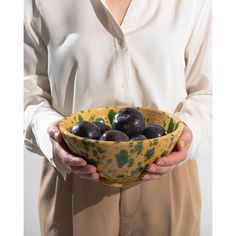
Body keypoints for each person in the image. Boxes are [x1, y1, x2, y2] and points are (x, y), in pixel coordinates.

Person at [24, 0, 211, 235]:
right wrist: (48, 130)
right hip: (74, 176)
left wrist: (190, 131)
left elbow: (210, 90)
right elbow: (24, 90)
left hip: (167, 175)